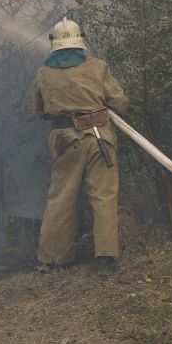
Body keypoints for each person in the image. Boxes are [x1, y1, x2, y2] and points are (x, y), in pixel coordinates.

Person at [32, 18, 129, 273]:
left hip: (65, 142)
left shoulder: (44, 72)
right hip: (99, 140)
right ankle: (105, 259)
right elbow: (119, 102)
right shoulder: (98, 67)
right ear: (80, 39)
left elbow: (39, 110)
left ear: (54, 42)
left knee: (61, 198)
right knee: (104, 197)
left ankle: (53, 259)